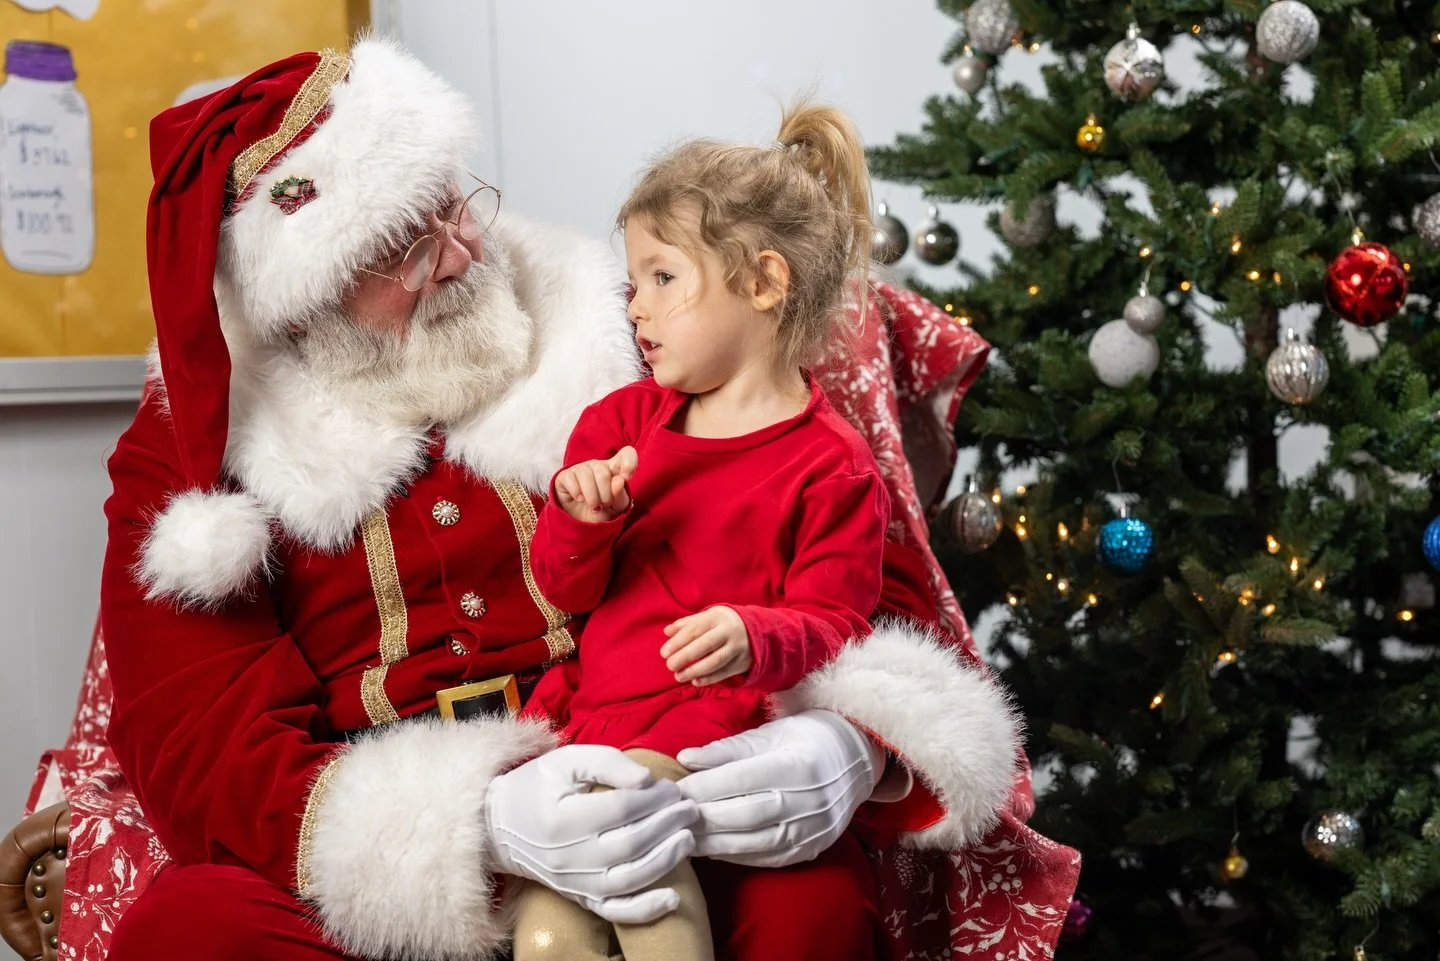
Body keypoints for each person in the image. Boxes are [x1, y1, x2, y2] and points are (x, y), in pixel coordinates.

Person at [93, 36, 1032, 961]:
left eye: (455, 206)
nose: (460, 254)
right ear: (301, 301)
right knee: (191, 933)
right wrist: (480, 825)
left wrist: (849, 742)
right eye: (404, 251)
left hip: (654, 779)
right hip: (394, 877)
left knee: (807, 903)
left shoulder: (628, 327)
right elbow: (197, 736)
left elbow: (864, 558)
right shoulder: (197, 454)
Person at [511, 103, 888, 960]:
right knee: (544, 937)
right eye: (632, 279)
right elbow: (564, 593)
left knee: (644, 886)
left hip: (715, 752)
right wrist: (581, 519)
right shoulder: (620, 423)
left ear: (762, 282)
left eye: (662, 277)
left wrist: (757, 634)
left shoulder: (832, 465)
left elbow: (840, 628)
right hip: (593, 737)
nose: (634, 304)